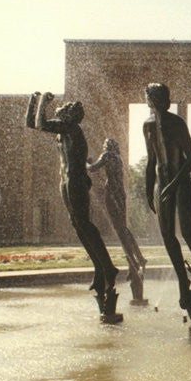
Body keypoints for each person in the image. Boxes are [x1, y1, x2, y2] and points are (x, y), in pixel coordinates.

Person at [26, 92, 122, 323]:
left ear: (70, 116)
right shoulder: (63, 131)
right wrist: (32, 102)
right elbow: (32, 124)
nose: (60, 108)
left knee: (84, 223)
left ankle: (107, 267)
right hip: (66, 181)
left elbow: (40, 123)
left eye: (64, 108)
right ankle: (100, 267)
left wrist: (43, 103)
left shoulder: (71, 129)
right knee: (77, 224)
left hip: (76, 181)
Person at [143, 82, 191, 336]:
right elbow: (151, 160)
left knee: (187, 232)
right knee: (166, 235)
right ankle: (184, 284)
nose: (159, 101)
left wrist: (173, 185)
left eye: (162, 97)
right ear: (150, 100)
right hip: (162, 184)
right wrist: (147, 188)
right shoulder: (148, 125)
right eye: (154, 97)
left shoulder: (177, 123)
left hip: (181, 182)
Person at [87, 138, 147, 303]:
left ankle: (136, 260)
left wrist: (86, 162)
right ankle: (138, 258)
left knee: (118, 227)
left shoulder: (107, 155)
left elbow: (92, 168)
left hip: (111, 192)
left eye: (105, 144)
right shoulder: (118, 157)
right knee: (123, 228)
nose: (104, 146)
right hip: (120, 192)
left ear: (108, 146)